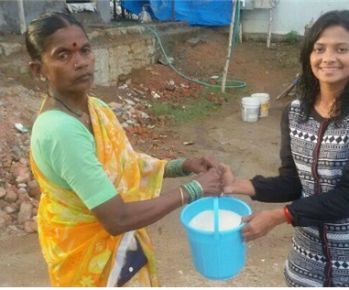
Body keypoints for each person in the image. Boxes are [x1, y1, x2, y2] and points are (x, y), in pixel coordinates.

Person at [26, 12, 224, 287]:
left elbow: (126, 162)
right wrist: (193, 190)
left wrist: (183, 165)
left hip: (119, 252)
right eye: (63, 55)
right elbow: (116, 218)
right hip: (88, 258)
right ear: (38, 69)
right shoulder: (60, 130)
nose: (80, 62)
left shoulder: (96, 108)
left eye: (85, 50)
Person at [222, 10, 349, 287]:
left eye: (341, 49)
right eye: (319, 49)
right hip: (309, 257)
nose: (328, 58)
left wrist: (278, 217)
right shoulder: (296, 112)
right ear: (308, 55)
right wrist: (234, 186)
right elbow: (292, 182)